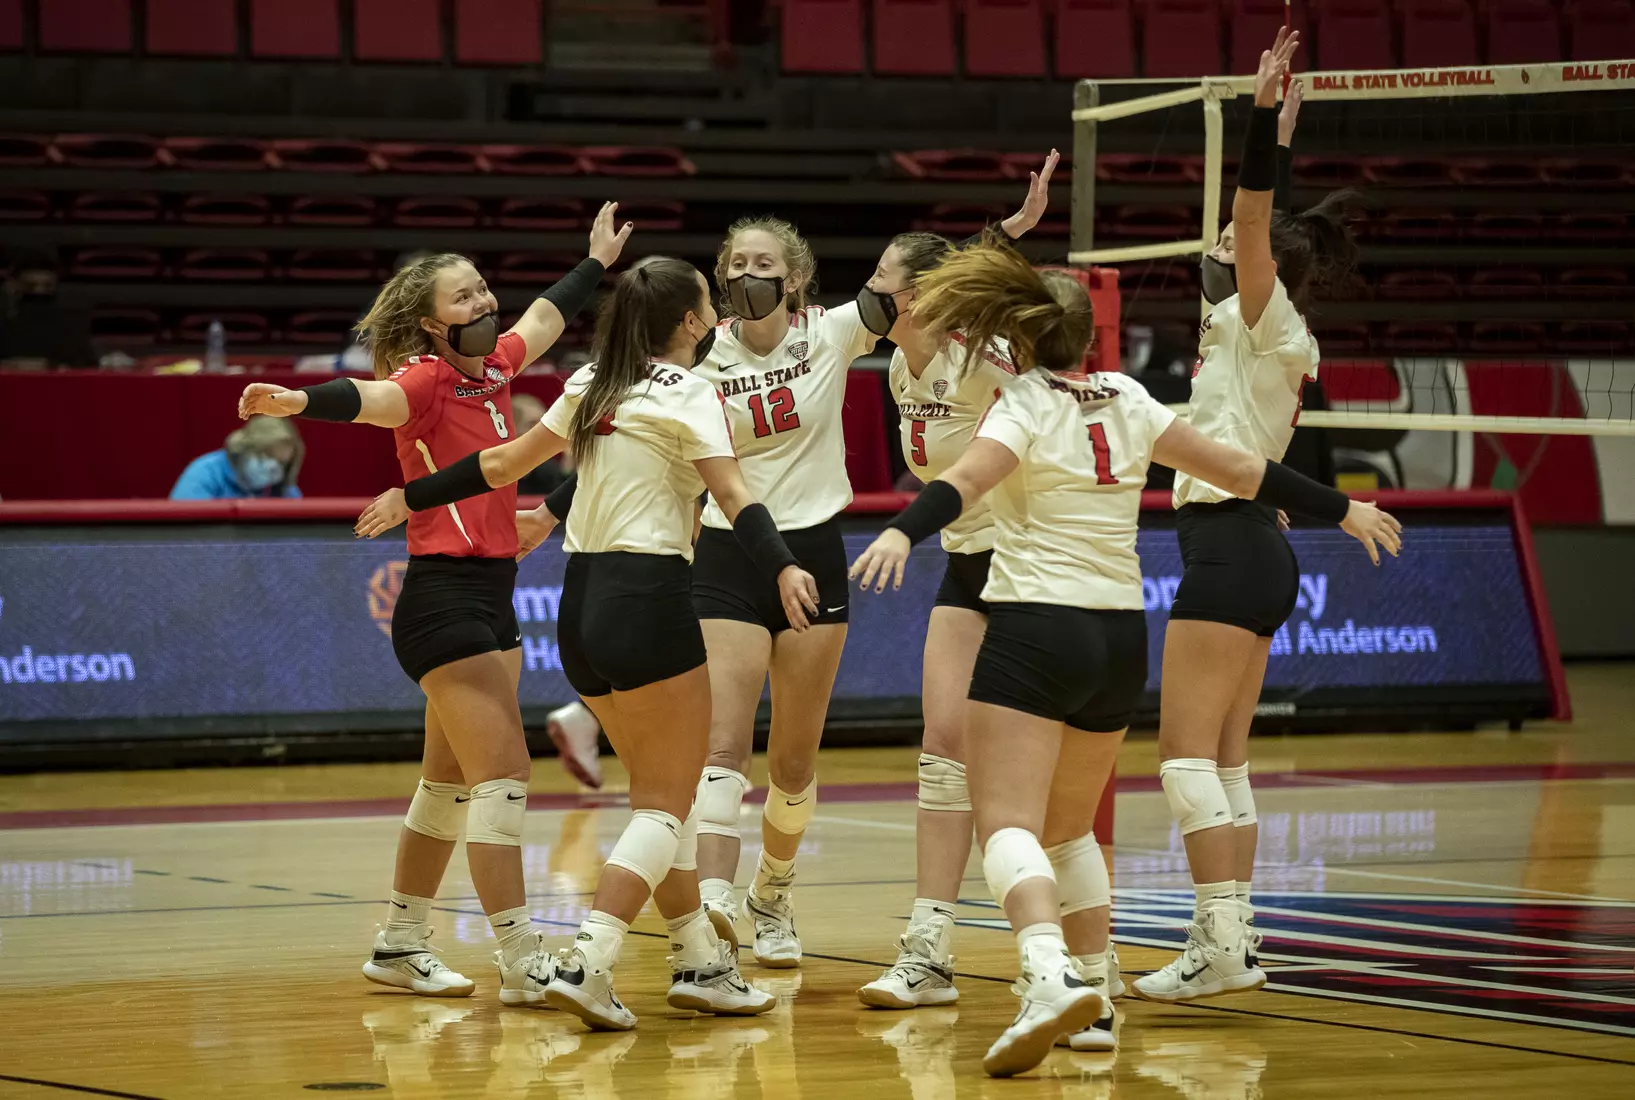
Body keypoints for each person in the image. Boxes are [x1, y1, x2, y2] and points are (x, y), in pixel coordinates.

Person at [848, 231, 1400, 1077]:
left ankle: (1044, 973)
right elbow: (1245, 470)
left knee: (1004, 826)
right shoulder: (1131, 399)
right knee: (1070, 831)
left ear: (1023, 343)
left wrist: (898, 527)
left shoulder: (1021, 403)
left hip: (1034, 625)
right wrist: (1343, 508)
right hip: (1117, 639)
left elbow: (962, 484)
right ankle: (1096, 998)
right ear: (1092, 341)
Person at [355, 257, 821, 1031]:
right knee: (667, 804)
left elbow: (503, 464)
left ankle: (699, 959)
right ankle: (588, 958)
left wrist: (414, 494)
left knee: (651, 797)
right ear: (693, 322)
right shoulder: (694, 393)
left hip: (578, 609)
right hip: (649, 598)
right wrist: (781, 566)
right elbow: (734, 495)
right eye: (707, 304)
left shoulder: (592, 383)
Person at [235, 203, 631, 1005]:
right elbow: (369, 398)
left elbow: (547, 318)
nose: (484, 303)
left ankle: (400, 943)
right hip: (440, 599)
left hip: (493, 594)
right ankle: (521, 962)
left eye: (484, 290)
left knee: (445, 787)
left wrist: (594, 261)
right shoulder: (424, 379)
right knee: (505, 777)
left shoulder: (498, 369)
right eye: (464, 298)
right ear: (429, 323)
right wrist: (295, 403)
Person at [684, 157, 1057, 970]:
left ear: (797, 281)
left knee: (791, 758)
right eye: (737, 265)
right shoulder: (701, 355)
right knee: (719, 746)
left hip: (817, 550)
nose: (749, 276)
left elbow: (920, 289)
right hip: (729, 547)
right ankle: (709, 918)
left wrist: (1007, 233)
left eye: (765, 266)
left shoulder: (837, 331)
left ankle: (772, 894)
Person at [1133, 33, 1365, 1005]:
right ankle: (1230, 935)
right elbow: (1259, 227)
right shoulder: (1249, 326)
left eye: (1232, 247)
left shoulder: (1270, 316)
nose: (1220, 249)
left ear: (1266, 266)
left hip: (1234, 542)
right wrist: (1286, 132)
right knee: (1223, 758)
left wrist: (1265, 119)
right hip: (1254, 547)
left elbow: (1253, 215)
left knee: (1184, 755)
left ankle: (1221, 941)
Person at [0, 247, 96, 369]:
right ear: (12, 284)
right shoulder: (3, 317)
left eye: (47, 286)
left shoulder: (70, 322)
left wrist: (50, 366)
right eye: (30, 286)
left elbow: (84, 363)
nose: (39, 292)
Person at [170, 415, 304, 500]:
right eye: (267, 455)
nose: (272, 467)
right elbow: (182, 533)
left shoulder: (284, 489)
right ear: (245, 448)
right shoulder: (205, 472)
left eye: (281, 463)